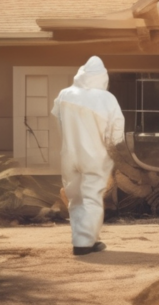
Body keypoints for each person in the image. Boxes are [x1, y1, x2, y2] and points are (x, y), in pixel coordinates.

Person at [52, 56, 125, 256]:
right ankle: (86, 243)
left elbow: (58, 122)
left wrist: (68, 143)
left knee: (75, 198)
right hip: (95, 155)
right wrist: (112, 146)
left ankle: (81, 240)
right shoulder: (106, 99)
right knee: (92, 197)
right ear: (102, 77)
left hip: (69, 155)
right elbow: (117, 128)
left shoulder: (64, 95)